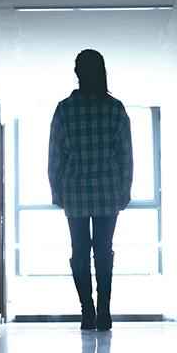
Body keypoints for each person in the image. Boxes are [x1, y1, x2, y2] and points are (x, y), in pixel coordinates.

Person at [48, 49, 133, 331]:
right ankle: (105, 311)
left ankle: (87, 310)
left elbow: (56, 154)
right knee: (104, 251)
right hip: (108, 190)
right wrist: (125, 190)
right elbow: (125, 155)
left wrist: (56, 191)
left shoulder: (64, 109)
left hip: (75, 191)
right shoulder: (115, 108)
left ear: (77, 74)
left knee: (80, 251)